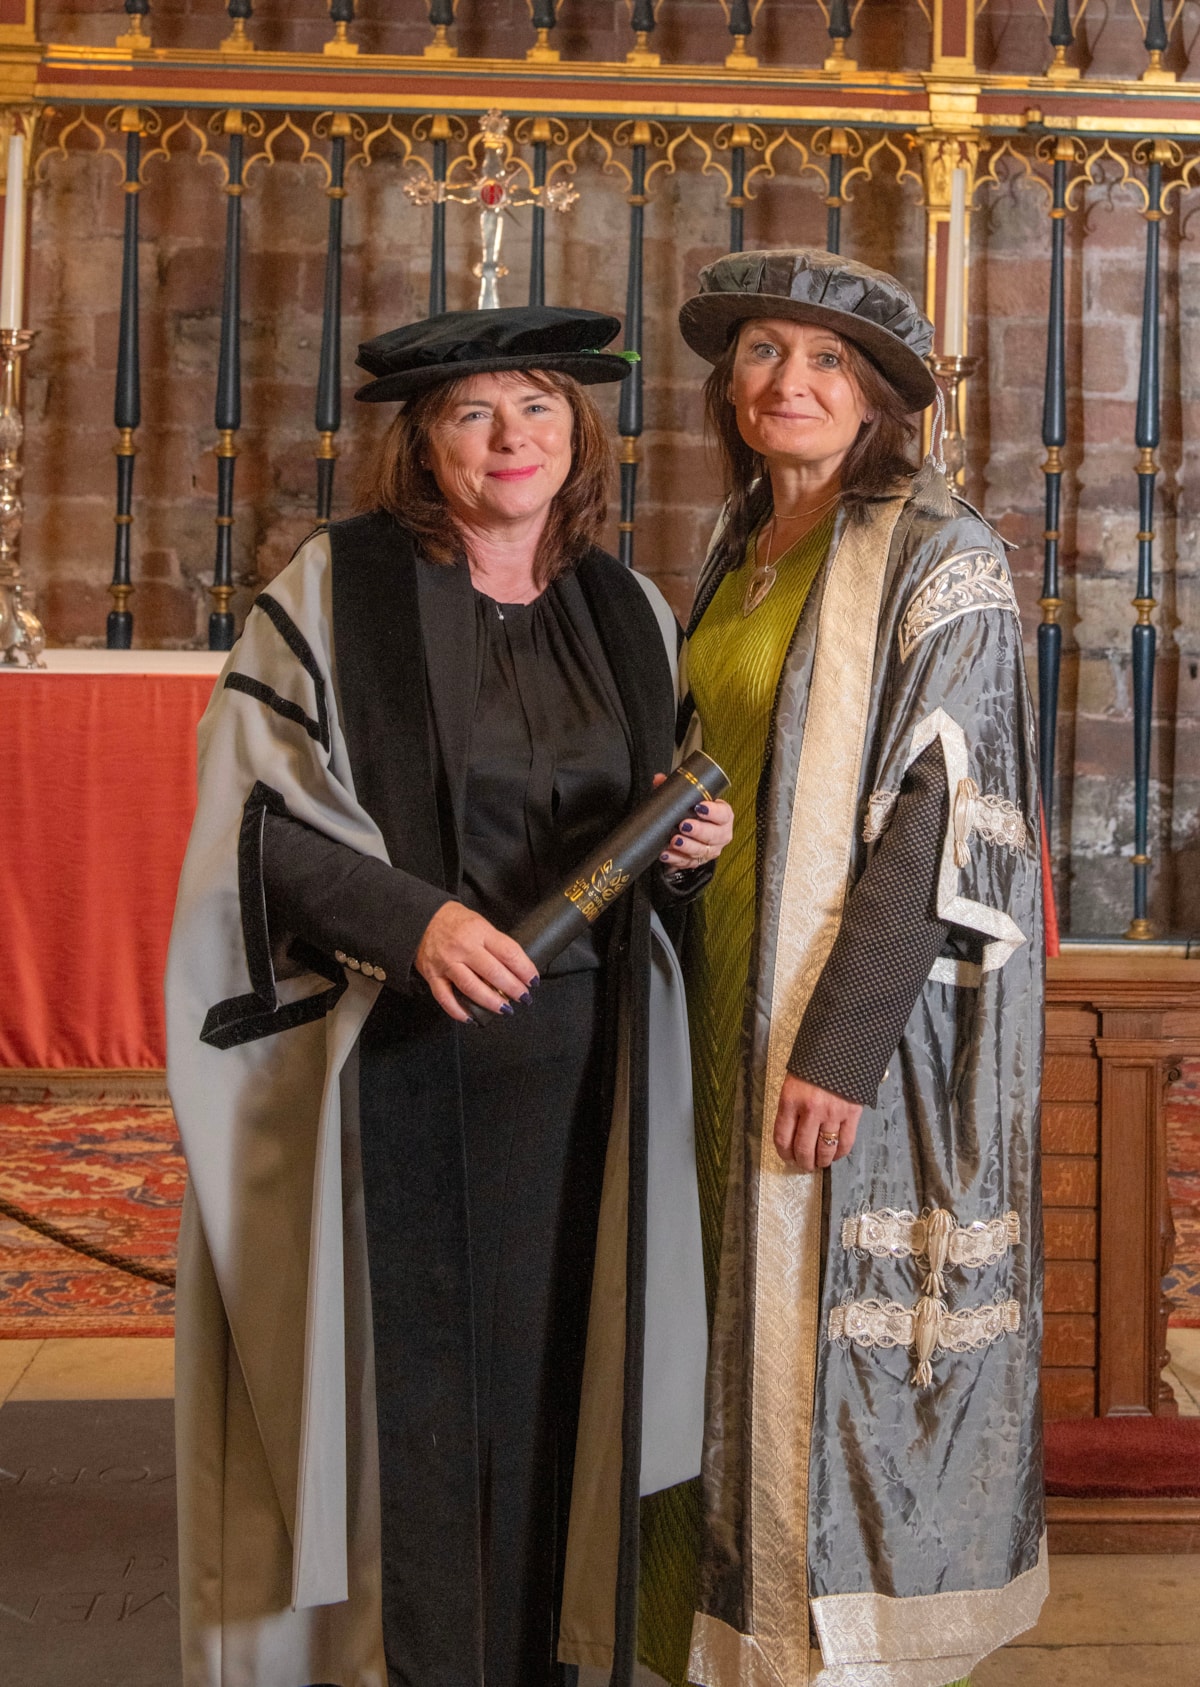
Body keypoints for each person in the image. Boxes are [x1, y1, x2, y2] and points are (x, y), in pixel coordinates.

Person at [165, 305, 733, 1687]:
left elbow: (641, 832)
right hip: (405, 1066)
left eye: (538, 407)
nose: (511, 438)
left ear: (579, 431)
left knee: (560, 1389)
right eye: (475, 413)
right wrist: (413, 921)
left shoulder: (626, 607)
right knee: (413, 1407)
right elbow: (256, 828)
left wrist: (688, 860)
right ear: (425, 442)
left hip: (587, 1072)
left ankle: (543, 1657)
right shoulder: (335, 588)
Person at [638, 251, 1046, 1687]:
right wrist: (685, 841)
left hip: (846, 1012)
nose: (786, 385)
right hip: (715, 977)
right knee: (714, 1323)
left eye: (824, 362)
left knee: (817, 1349)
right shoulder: (736, 541)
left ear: (875, 396)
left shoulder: (942, 551)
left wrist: (840, 1044)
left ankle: (820, 1659)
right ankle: (705, 1639)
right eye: (760, 353)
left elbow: (944, 827)